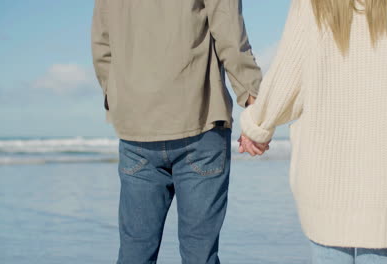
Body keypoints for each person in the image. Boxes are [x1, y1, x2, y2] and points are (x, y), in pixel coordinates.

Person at [239, 0, 387, 263]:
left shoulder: (309, 4)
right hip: (385, 181)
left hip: (323, 182)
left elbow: (286, 77)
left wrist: (258, 126)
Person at [91, 0, 262, 263]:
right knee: (199, 255)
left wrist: (119, 99)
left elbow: (102, 45)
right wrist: (256, 110)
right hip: (199, 121)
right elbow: (230, 33)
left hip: (137, 128)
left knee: (134, 252)